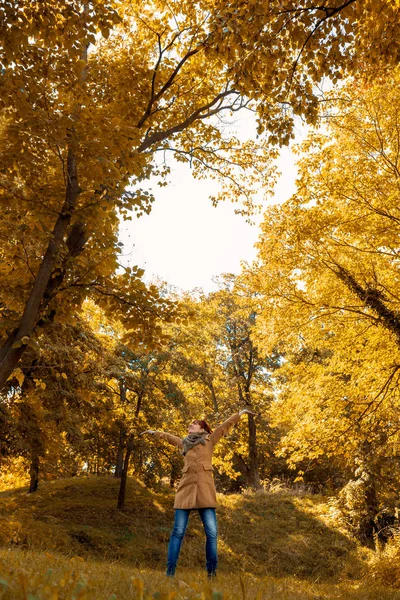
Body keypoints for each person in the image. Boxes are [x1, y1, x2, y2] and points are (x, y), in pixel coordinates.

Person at [141, 409, 257, 577]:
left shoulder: (210, 440)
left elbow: (225, 426)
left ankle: (212, 574)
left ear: (203, 429)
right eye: (191, 424)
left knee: (211, 533)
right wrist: (154, 432)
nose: (191, 425)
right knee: (177, 532)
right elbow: (169, 438)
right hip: (185, 491)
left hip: (204, 491)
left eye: (195, 424)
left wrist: (241, 413)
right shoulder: (184, 443)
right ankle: (169, 573)